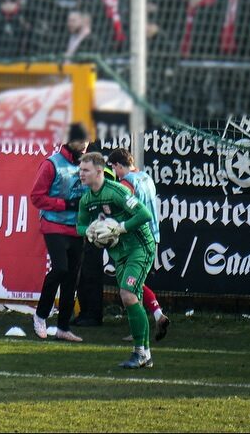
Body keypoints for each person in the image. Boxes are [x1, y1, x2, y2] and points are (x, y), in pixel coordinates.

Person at [75, 151, 158, 369]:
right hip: (119, 253)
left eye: (86, 170)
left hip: (140, 247)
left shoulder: (117, 191)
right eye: (80, 170)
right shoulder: (86, 200)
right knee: (132, 300)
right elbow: (79, 226)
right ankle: (145, 356)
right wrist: (90, 230)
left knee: (128, 294)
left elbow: (144, 215)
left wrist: (120, 227)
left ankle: (139, 352)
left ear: (99, 171)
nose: (81, 174)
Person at [29, 122, 88, 342]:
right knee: (61, 268)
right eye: (80, 140)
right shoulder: (51, 164)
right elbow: (36, 197)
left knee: (72, 277)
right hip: (54, 224)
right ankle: (40, 314)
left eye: (86, 141)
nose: (84, 145)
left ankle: (63, 327)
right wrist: (66, 204)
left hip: (77, 228)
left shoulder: (87, 165)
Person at [107, 147, 171, 342]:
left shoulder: (128, 183)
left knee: (129, 285)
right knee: (136, 282)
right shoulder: (146, 177)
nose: (114, 174)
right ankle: (157, 315)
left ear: (118, 165)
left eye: (113, 168)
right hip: (153, 235)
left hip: (137, 240)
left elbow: (119, 204)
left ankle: (140, 329)